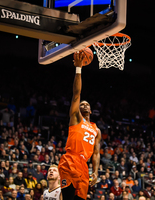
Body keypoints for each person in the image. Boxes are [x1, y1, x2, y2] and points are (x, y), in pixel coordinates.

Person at [58, 52, 101, 200]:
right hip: (70, 161)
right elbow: (76, 94)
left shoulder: (97, 130)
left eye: (86, 104)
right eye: (82, 104)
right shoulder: (76, 117)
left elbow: (96, 153)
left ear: (90, 110)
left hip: (84, 166)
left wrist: (95, 171)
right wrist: (78, 69)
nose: (84, 104)